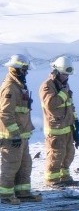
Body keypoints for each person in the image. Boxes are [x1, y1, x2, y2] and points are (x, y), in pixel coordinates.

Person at [0, 54, 39, 203]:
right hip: (11, 137)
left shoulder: (19, 86)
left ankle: (22, 192)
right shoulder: (10, 87)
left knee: (25, 164)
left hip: (21, 135)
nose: (26, 73)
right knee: (11, 165)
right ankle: (5, 194)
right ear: (16, 70)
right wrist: (14, 133)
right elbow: (5, 113)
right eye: (24, 70)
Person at [41, 55, 79, 188]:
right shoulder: (47, 86)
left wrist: (75, 120)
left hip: (67, 127)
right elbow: (51, 104)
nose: (66, 77)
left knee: (68, 153)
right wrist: (64, 92)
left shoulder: (65, 85)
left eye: (67, 75)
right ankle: (51, 179)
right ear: (56, 71)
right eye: (64, 74)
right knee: (56, 154)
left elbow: (70, 105)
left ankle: (64, 177)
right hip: (55, 129)